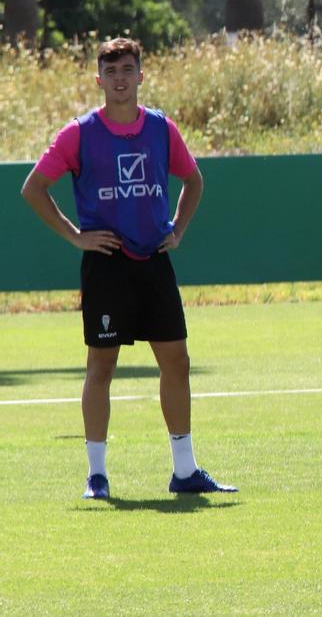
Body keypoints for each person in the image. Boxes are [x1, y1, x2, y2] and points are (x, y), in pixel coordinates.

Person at [19, 37, 237, 499]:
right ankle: (96, 476)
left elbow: (193, 180)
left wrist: (177, 229)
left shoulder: (160, 128)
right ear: (99, 79)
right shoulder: (79, 133)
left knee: (176, 362)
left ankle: (185, 471)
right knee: (101, 365)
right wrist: (76, 236)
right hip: (107, 264)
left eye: (127, 70)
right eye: (111, 72)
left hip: (153, 259)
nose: (120, 79)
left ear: (141, 75)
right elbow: (34, 188)